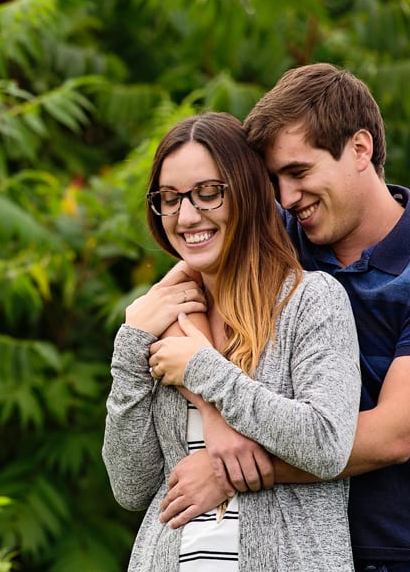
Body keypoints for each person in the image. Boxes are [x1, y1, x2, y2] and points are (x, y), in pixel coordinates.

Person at [159, 64, 410, 572]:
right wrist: (215, 419)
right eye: (275, 180)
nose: (286, 197)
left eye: (299, 173)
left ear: (360, 149)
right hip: (300, 548)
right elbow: (171, 301)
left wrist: (230, 469)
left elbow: (393, 436)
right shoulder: (281, 240)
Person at [102, 112, 361, 571]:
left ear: (248, 191)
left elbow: (326, 444)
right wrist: (131, 346)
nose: (187, 216)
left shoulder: (311, 301)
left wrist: (204, 372)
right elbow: (131, 486)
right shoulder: (162, 318)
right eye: (169, 199)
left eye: (208, 193)